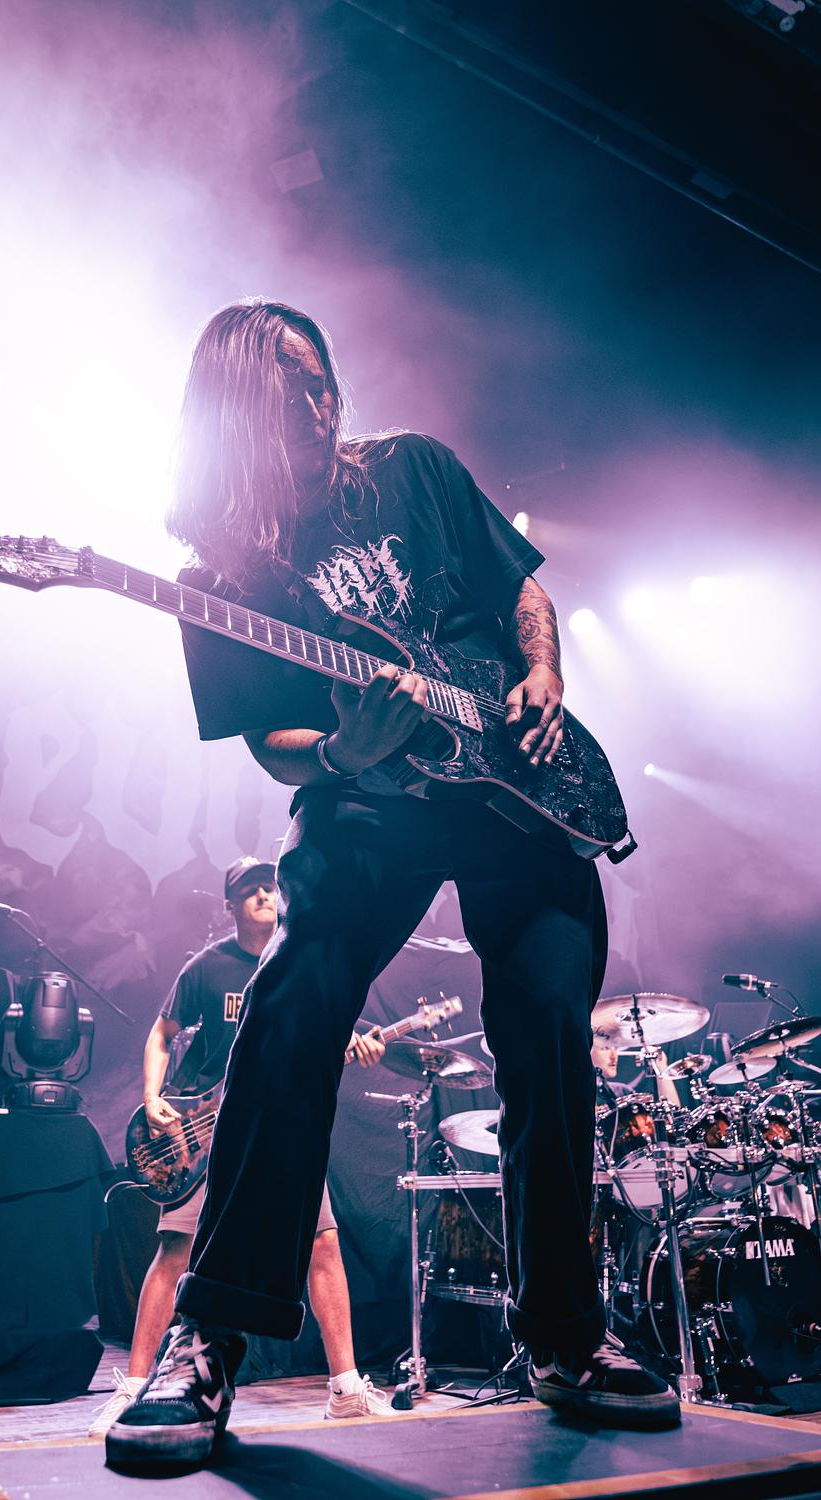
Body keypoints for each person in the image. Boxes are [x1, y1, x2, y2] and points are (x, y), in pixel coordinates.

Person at [111, 299, 679, 1464]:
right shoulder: (220, 577)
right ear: (234, 415)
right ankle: (210, 1339)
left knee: (548, 1031)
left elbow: (520, 589)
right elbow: (272, 743)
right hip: (368, 807)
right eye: (288, 392)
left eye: (322, 378)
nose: (318, 404)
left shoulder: (412, 470)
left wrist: (539, 673)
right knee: (291, 1010)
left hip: (520, 792)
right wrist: (340, 753)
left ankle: (567, 1338)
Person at [98, 855, 393, 1447]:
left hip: (282, 1124)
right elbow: (162, 1032)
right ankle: (132, 1389)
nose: (263, 894)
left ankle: (346, 1390)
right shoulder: (207, 967)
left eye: (269, 885)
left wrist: (355, 1045)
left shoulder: (299, 965)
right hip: (205, 1133)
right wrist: (153, 1097)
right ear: (229, 903)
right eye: (249, 889)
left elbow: (316, 1042)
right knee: (177, 1250)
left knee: (323, 1245)